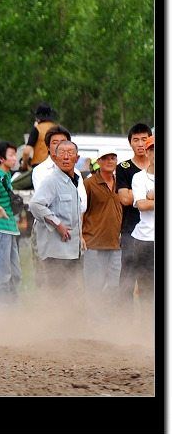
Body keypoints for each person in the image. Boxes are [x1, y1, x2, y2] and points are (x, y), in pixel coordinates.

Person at [28, 140, 84, 294]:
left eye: (70, 153)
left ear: (77, 158)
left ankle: (66, 318)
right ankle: (53, 318)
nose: (66, 157)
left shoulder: (75, 181)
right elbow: (35, 204)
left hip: (72, 250)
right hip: (56, 251)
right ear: (54, 158)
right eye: (62, 153)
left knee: (70, 292)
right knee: (57, 292)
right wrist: (57, 224)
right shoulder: (51, 180)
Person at [81, 148, 122, 321]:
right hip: (93, 242)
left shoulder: (121, 182)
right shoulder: (89, 183)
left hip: (115, 244)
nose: (110, 161)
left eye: (113, 158)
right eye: (106, 158)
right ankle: (93, 324)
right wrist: (81, 236)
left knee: (113, 286)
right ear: (99, 160)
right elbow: (81, 210)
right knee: (93, 287)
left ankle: (108, 322)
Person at [116, 123, 153, 308]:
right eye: (136, 140)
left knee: (149, 279)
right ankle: (124, 320)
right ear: (130, 143)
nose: (140, 143)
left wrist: (139, 194)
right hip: (131, 227)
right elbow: (124, 199)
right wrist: (143, 195)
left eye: (144, 139)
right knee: (128, 275)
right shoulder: (124, 167)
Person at [0, 141, 22, 303]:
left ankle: (12, 309)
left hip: (10, 228)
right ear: (1, 158)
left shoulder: (6, 175)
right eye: (12, 155)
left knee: (15, 274)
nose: (15, 158)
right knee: (1, 274)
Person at [127, 134, 154, 323]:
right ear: (148, 152)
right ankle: (147, 329)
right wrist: (148, 198)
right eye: (152, 149)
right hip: (145, 239)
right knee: (146, 287)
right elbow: (142, 205)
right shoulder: (138, 177)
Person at [20, 103, 59, 171]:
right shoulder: (58, 129)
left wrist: (24, 166)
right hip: (55, 166)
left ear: (37, 117)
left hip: (39, 166)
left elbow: (26, 152)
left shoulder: (37, 129)